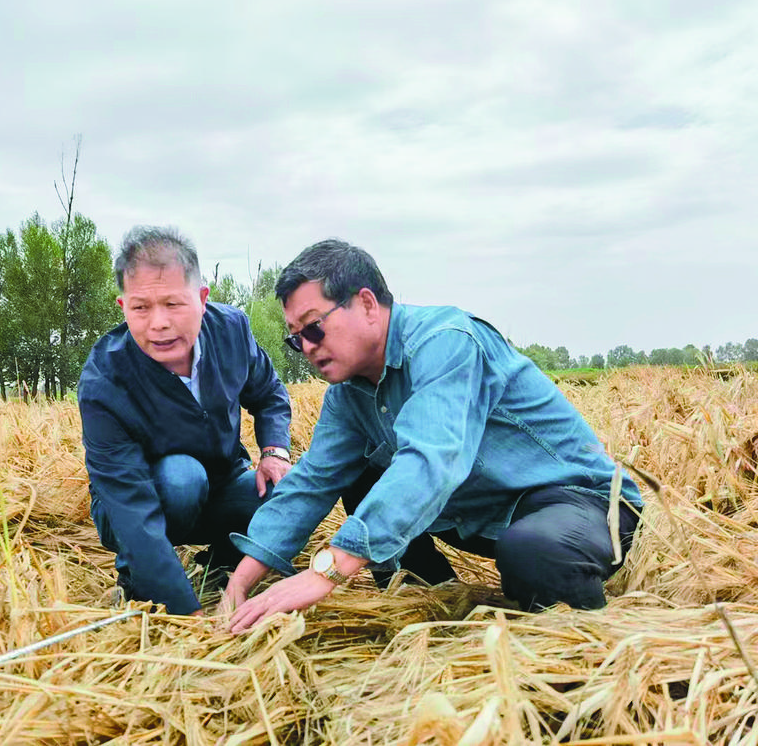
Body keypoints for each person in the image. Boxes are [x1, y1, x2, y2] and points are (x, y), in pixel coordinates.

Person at [222, 240, 642, 633]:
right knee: (361, 475)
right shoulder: (347, 394)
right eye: (296, 339)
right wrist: (239, 583)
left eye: (314, 328)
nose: (308, 347)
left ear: (366, 304)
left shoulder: (445, 342)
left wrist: (326, 572)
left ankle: (573, 635)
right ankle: (430, 605)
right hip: (483, 516)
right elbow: (313, 482)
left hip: (578, 503)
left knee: (533, 552)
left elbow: (431, 462)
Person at [78, 226, 293, 616]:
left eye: (173, 304)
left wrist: (274, 450)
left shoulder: (231, 331)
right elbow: (129, 505)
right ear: (122, 306)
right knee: (182, 478)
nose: (158, 323)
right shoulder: (104, 381)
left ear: (202, 299)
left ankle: (222, 563)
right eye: (141, 308)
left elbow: (268, 393)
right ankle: (137, 579)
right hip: (137, 503)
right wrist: (185, 614)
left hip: (222, 482)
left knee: (287, 493)